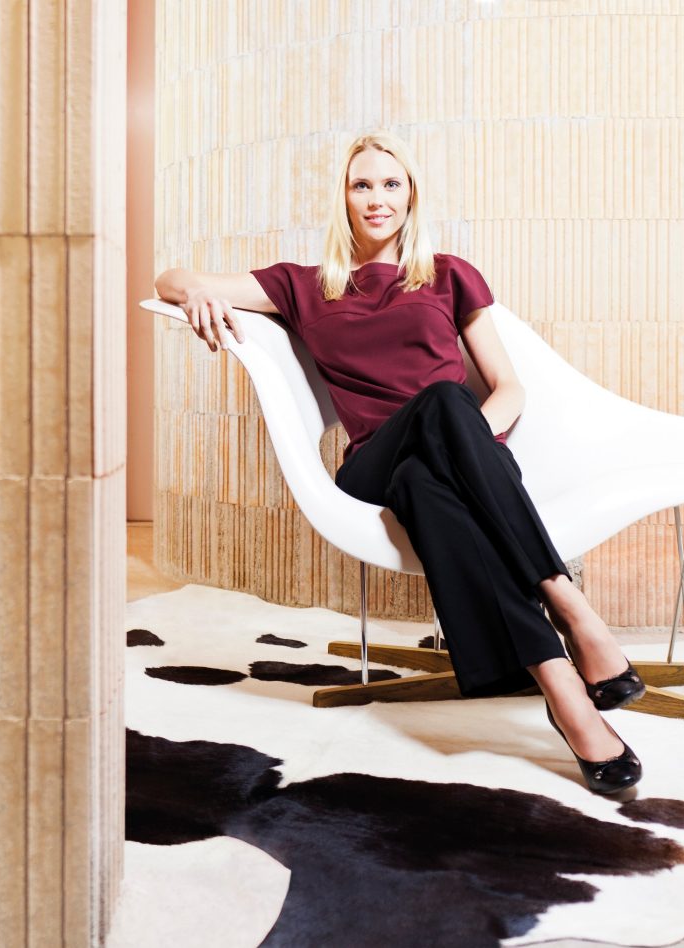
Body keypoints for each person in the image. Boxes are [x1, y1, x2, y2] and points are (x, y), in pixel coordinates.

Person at [153, 131, 644, 795]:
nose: (377, 198)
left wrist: (466, 439)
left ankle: (563, 690)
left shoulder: (449, 274)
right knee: (442, 402)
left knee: (435, 465)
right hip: (370, 469)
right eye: (362, 185)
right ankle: (572, 607)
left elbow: (510, 389)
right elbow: (171, 276)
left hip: (452, 468)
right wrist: (194, 294)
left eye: (390, 184)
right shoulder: (304, 285)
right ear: (344, 199)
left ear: (411, 195)